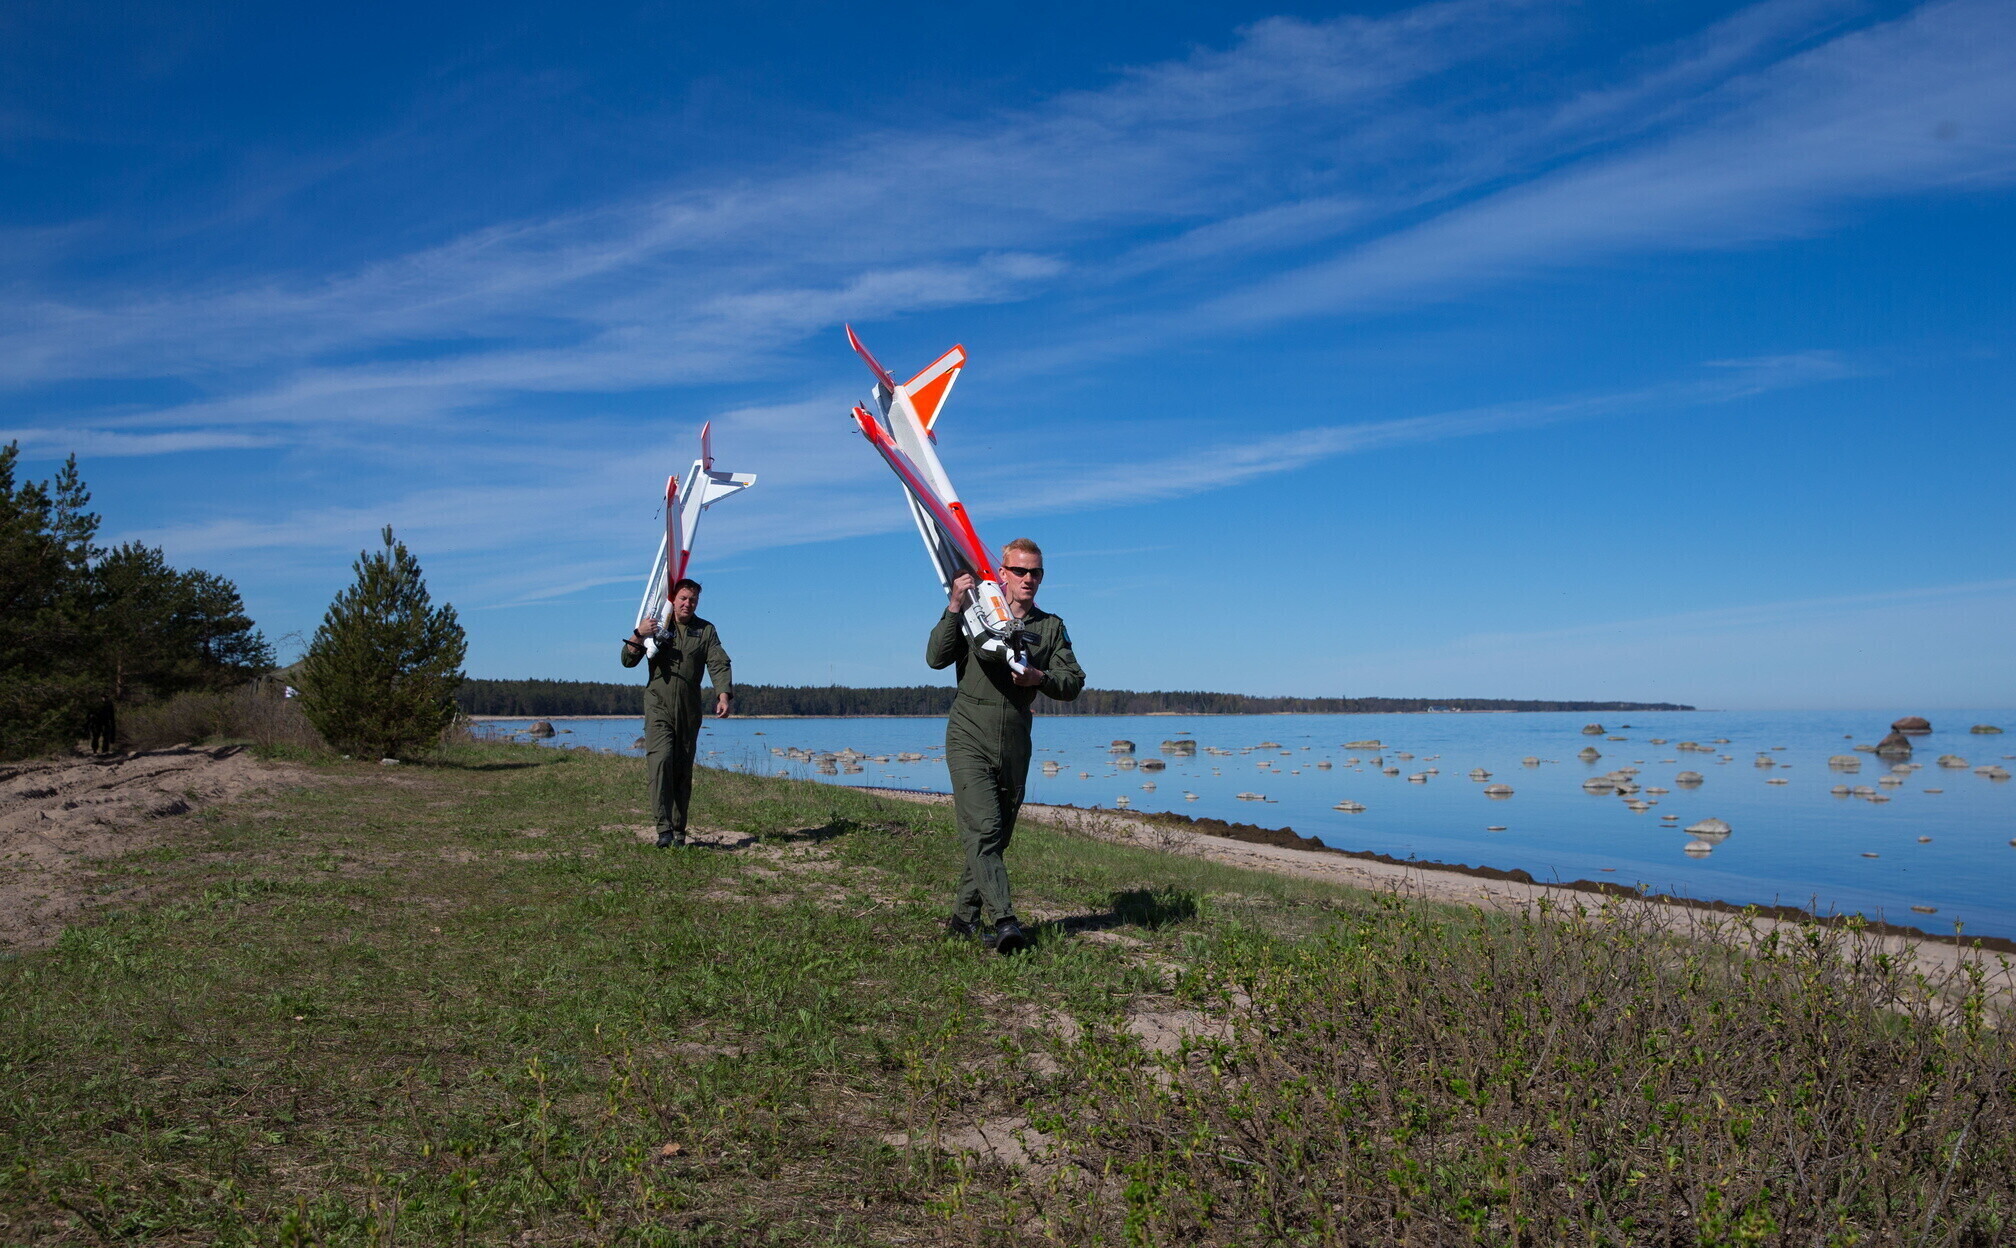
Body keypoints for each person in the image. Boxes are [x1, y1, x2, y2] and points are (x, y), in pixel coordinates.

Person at [928, 538, 1084, 953]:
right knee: (984, 829)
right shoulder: (977, 611)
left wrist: (1040, 679)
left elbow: (1073, 682)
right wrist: (954, 606)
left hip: (1015, 738)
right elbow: (936, 658)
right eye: (1019, 571)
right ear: (1002, 573)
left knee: (997, 837)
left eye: (1036, 572)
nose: (1028, 578)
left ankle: (963, 920)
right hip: (969, 732)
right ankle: (1005, 922)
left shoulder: (1050, 627)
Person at [621, 578, 733, 848]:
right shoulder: (658, 624)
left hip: (689, 710)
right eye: (683, 598)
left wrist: (723, 694)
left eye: (693, 600)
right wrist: (639, 633)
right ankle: (663, 830)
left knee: (682, 770)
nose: (687, 604)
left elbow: (718, 662)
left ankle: (679, 832)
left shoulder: (705, 630)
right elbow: (628, 660)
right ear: (673, 599)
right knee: (661, 761)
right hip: (658, 706)